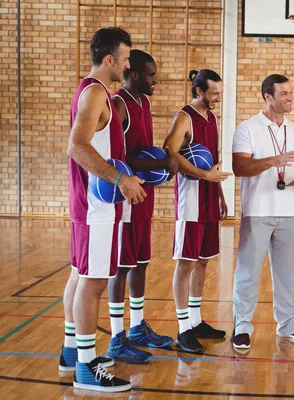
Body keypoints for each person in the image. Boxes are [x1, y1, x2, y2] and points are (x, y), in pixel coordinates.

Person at [63, 27, 145, 392]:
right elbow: (77, 146)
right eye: (126, 59)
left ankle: (70, 352)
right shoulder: (96, 93)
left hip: (90, 202)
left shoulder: (95, 91)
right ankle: (85, 367)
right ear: (109, 59)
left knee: (80, 277)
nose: (128, 65)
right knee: (93, 282)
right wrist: (119, 179)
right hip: (96, 205)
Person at [231, 74, 294, 350]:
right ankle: (242, 325)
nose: (290, 98)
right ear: (268, 97)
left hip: (289, 212)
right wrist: (274, 161)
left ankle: (288, 324)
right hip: (257, 210)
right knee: (248, 272)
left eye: (291, 93)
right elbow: (240, 168)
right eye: (284, 93)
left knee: (286, 273)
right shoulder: (247, 128)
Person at [105, 49, 178, 364]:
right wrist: (163, 161)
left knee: (141, 262)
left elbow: (143, 151)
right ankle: (116, 337)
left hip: (144, 196)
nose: (156, 79)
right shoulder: (119, 105)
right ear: (133, 74)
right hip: (125, 198)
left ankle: (137, 328)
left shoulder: (144, 103)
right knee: (121, 266)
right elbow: (117, 157)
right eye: (150, 74)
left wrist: (160, 161)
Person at [163, 69, 232, 354]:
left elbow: (213, 163)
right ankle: (183, 329)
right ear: (199, 91)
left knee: (203, 261)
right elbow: (169, 150)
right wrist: (204, 177)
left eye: (220, 92)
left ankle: (195, 320)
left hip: (208, 199)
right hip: (189, 202)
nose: (218, 97)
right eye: (214, 93)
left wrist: (219, 195)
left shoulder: (212, 118)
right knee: (186, 263)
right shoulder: (184, 117)